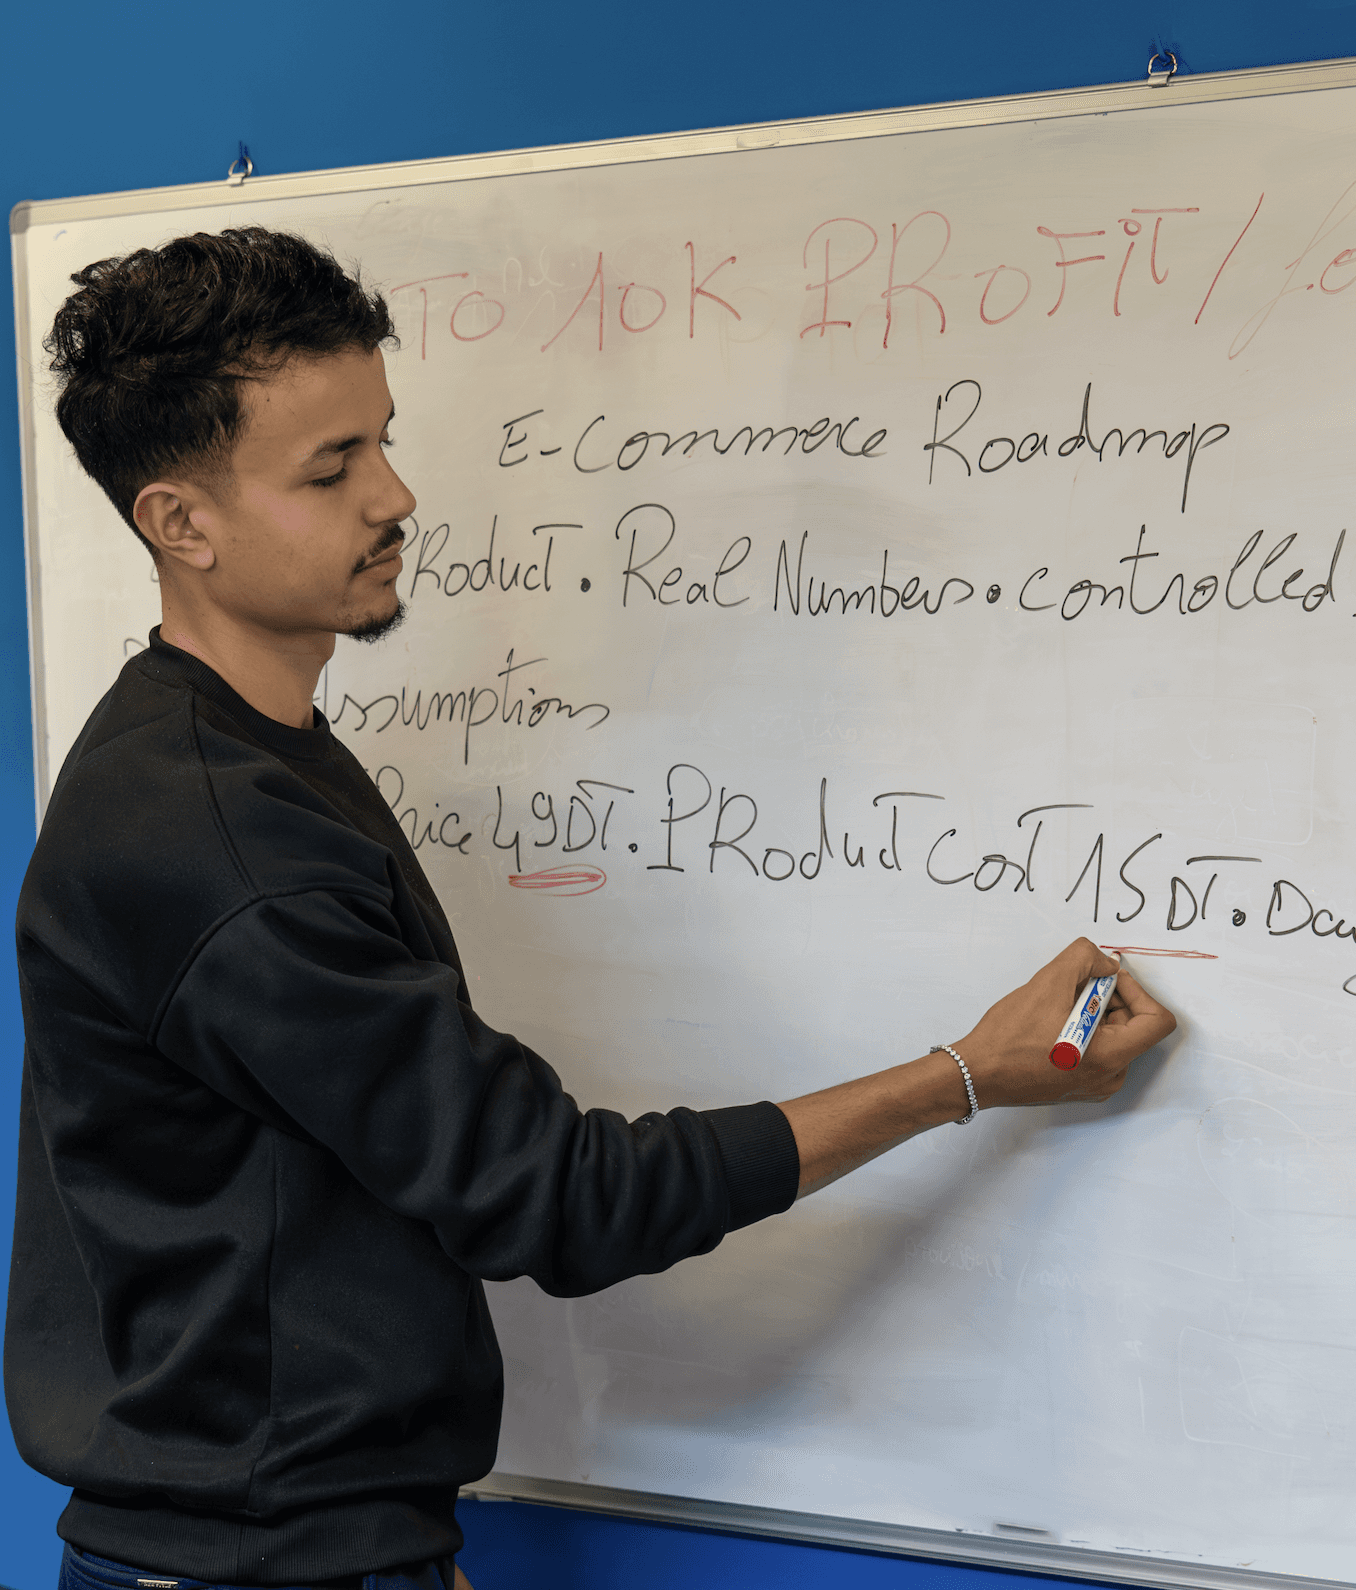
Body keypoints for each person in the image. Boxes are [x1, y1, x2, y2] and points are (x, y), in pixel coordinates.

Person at [5, 227, 1176, 1590]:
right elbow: (562, 1199)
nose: (395, 494)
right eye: (331, 469)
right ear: (180, 523)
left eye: (383, 441)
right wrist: (964, 1075)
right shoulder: (218, 840)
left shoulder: (220, 748)